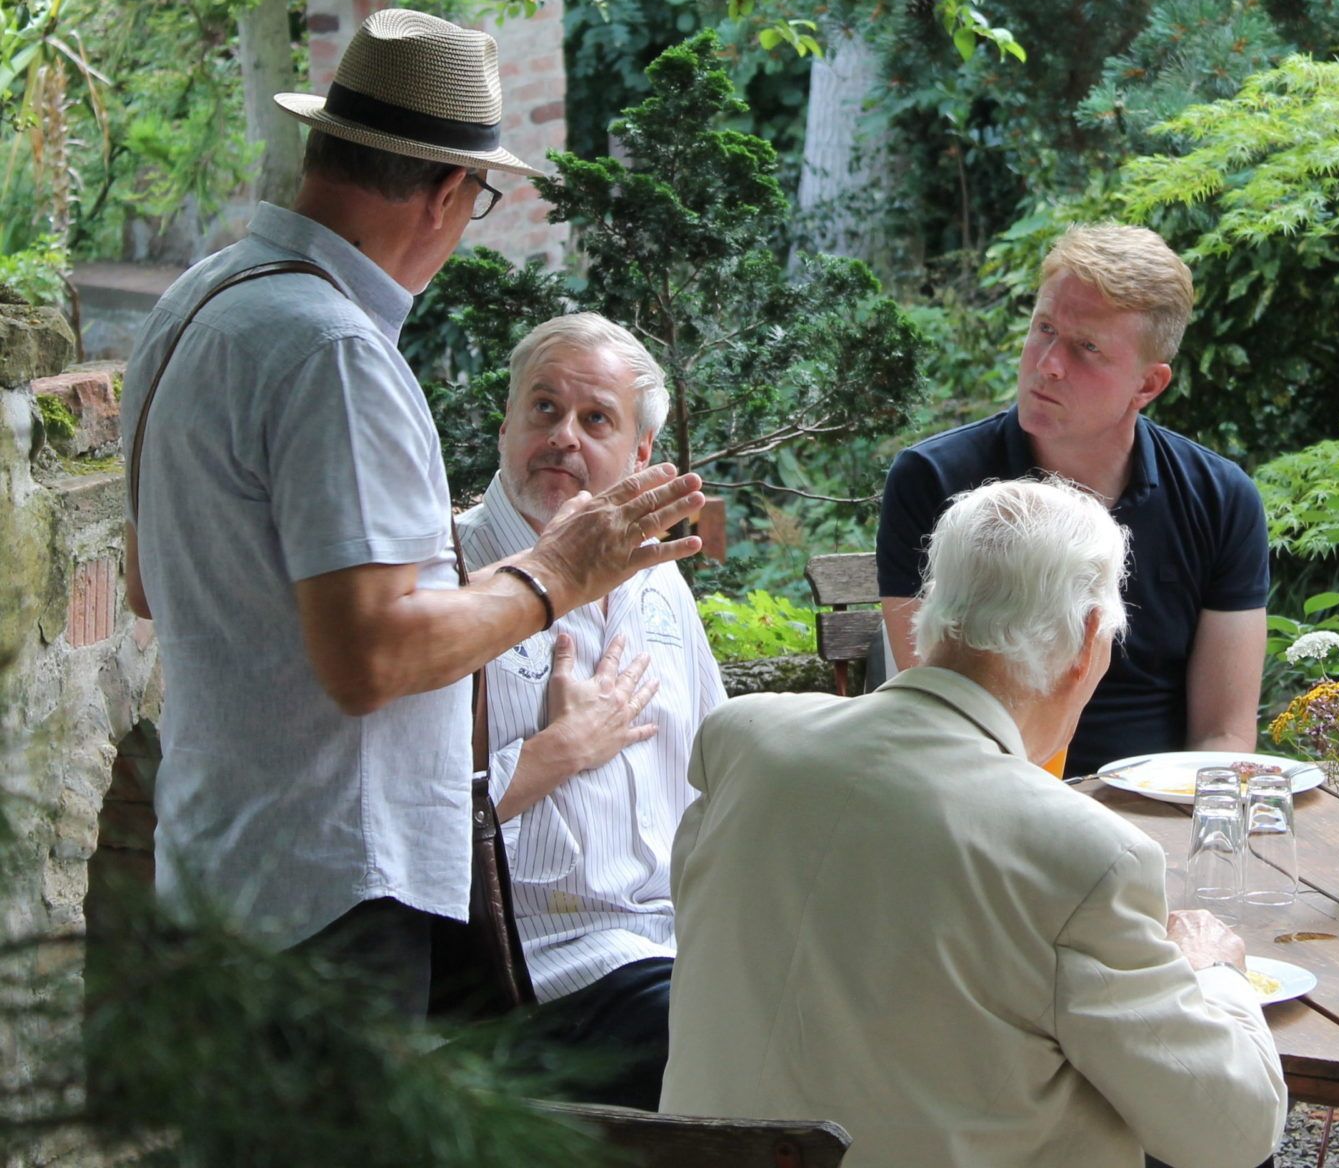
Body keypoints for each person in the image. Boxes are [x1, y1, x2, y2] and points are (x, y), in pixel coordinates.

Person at [120, 9, 703, 1019]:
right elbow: (371, 659)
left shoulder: (197, 302)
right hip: (327, 899)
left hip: (215, 866)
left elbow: (144, 578)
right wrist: (558, 571)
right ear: (447, 192)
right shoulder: (336, 354)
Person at [661, 479, 1288, 1168]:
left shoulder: (743, 742)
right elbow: (1232, 1134)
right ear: (1085, 640)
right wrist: (1212, 976)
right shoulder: (1082, 855)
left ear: (930, 609)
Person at [876, 223, 1269, 776]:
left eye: (1087, 347)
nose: (1048, 363)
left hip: (1157, 814)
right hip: (988, 801)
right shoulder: (935, 481)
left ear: (1148, 385)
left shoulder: (1220, 500)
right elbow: (938, 710)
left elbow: (1223, 733)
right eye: (1044, 329)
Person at [456, 313, 725, 1109]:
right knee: (722, 1041)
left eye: (595, 418)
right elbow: (398, 824)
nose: (562, 437)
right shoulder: (449, 584)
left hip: (679, 947)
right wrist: (555, 752)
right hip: (540, 972)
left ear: (641, 454)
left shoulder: (660, 583)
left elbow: (716, 779)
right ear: (506, 425)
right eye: (543, 409)